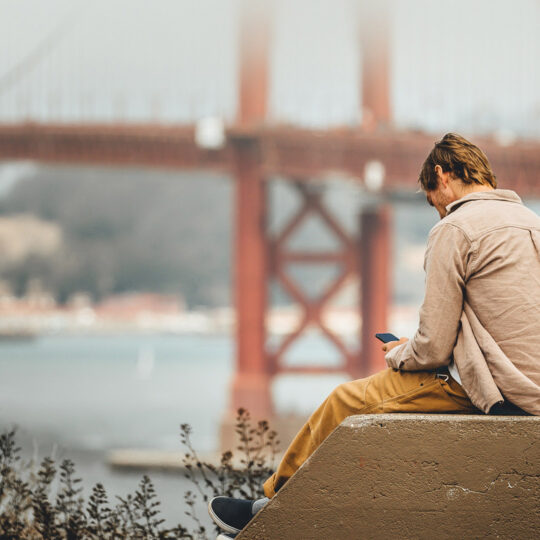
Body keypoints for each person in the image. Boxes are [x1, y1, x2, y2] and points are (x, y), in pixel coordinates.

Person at [208, 133, 540, 539]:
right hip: (534, 386)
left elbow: (434, 347)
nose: (437, 209)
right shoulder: (531, 222)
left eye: (431, 198)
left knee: (344, 400)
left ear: (441, 174)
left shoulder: (454, 229)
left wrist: (400, 354)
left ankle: (267, 507)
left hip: (494, 388)